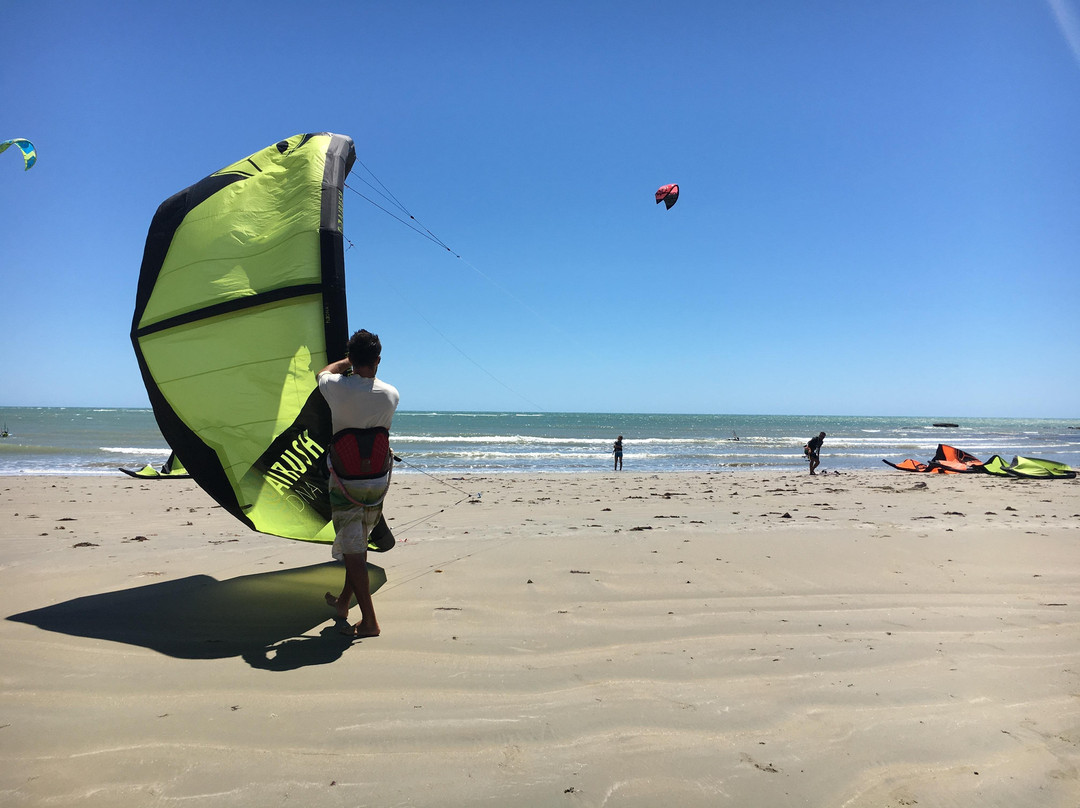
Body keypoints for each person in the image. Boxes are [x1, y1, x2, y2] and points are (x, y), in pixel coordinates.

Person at [317, 329, 400, 638]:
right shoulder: (391, 394)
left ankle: (369, 622)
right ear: (378, 360)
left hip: (346, 480)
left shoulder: (335, 387)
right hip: (377, 479)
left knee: (354, 551)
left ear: (352, 358)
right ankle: (342, 603)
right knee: (358, 542)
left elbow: (323, 372)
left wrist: (345, 362)